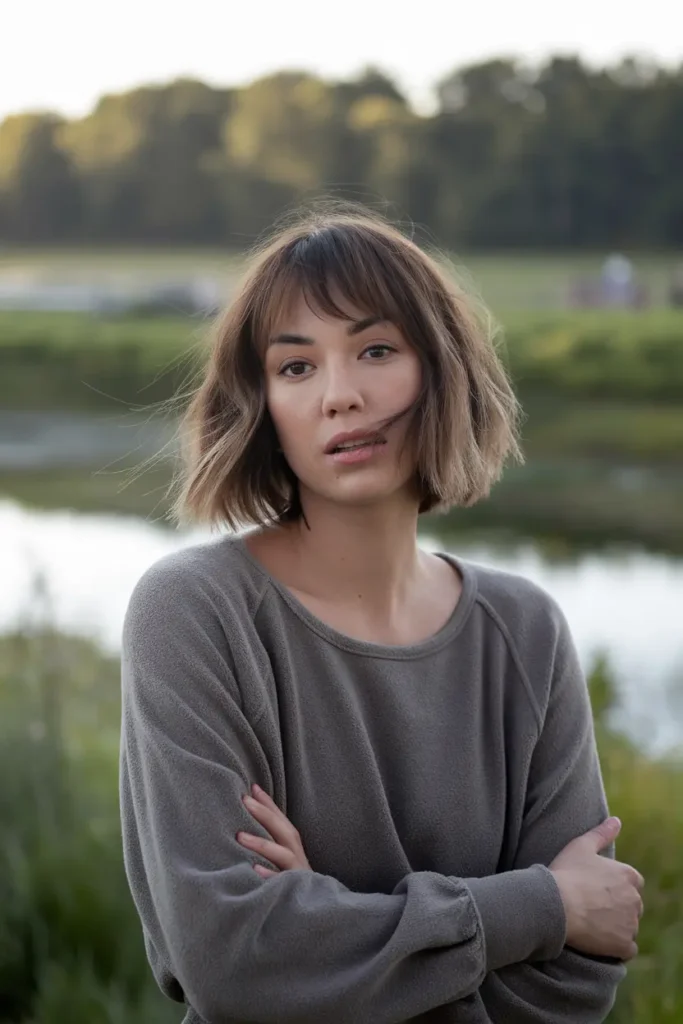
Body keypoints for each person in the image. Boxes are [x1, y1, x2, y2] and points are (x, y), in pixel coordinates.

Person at [119, 203, 644, 1024]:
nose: (339, 396)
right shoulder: (196, 613)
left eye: (374, 351)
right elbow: (232, 963)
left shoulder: (526, 630)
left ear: (438, 369)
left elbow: (580, 976)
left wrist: (327, 930)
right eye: (296, 368)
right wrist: (535, 908)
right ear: (262, 405)